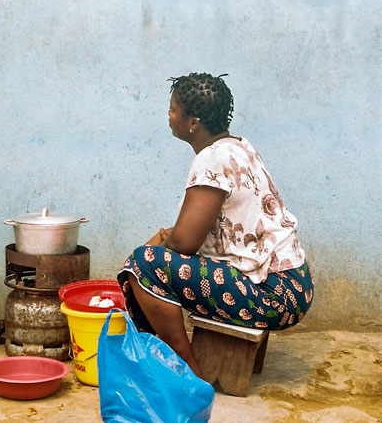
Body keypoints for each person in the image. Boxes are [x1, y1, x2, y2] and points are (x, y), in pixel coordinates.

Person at [117, 73, 313, 377]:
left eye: (173, 109)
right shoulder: (238, 147)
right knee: (151, 254)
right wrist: (165, 236)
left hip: (273, 295)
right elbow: (202, 229)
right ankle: (170, 363)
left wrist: (158, 245)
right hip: (295, 286)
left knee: (142, 265)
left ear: (193, 121)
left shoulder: (212, 160)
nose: (169, 115)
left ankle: (184, 373)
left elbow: (185, 243)